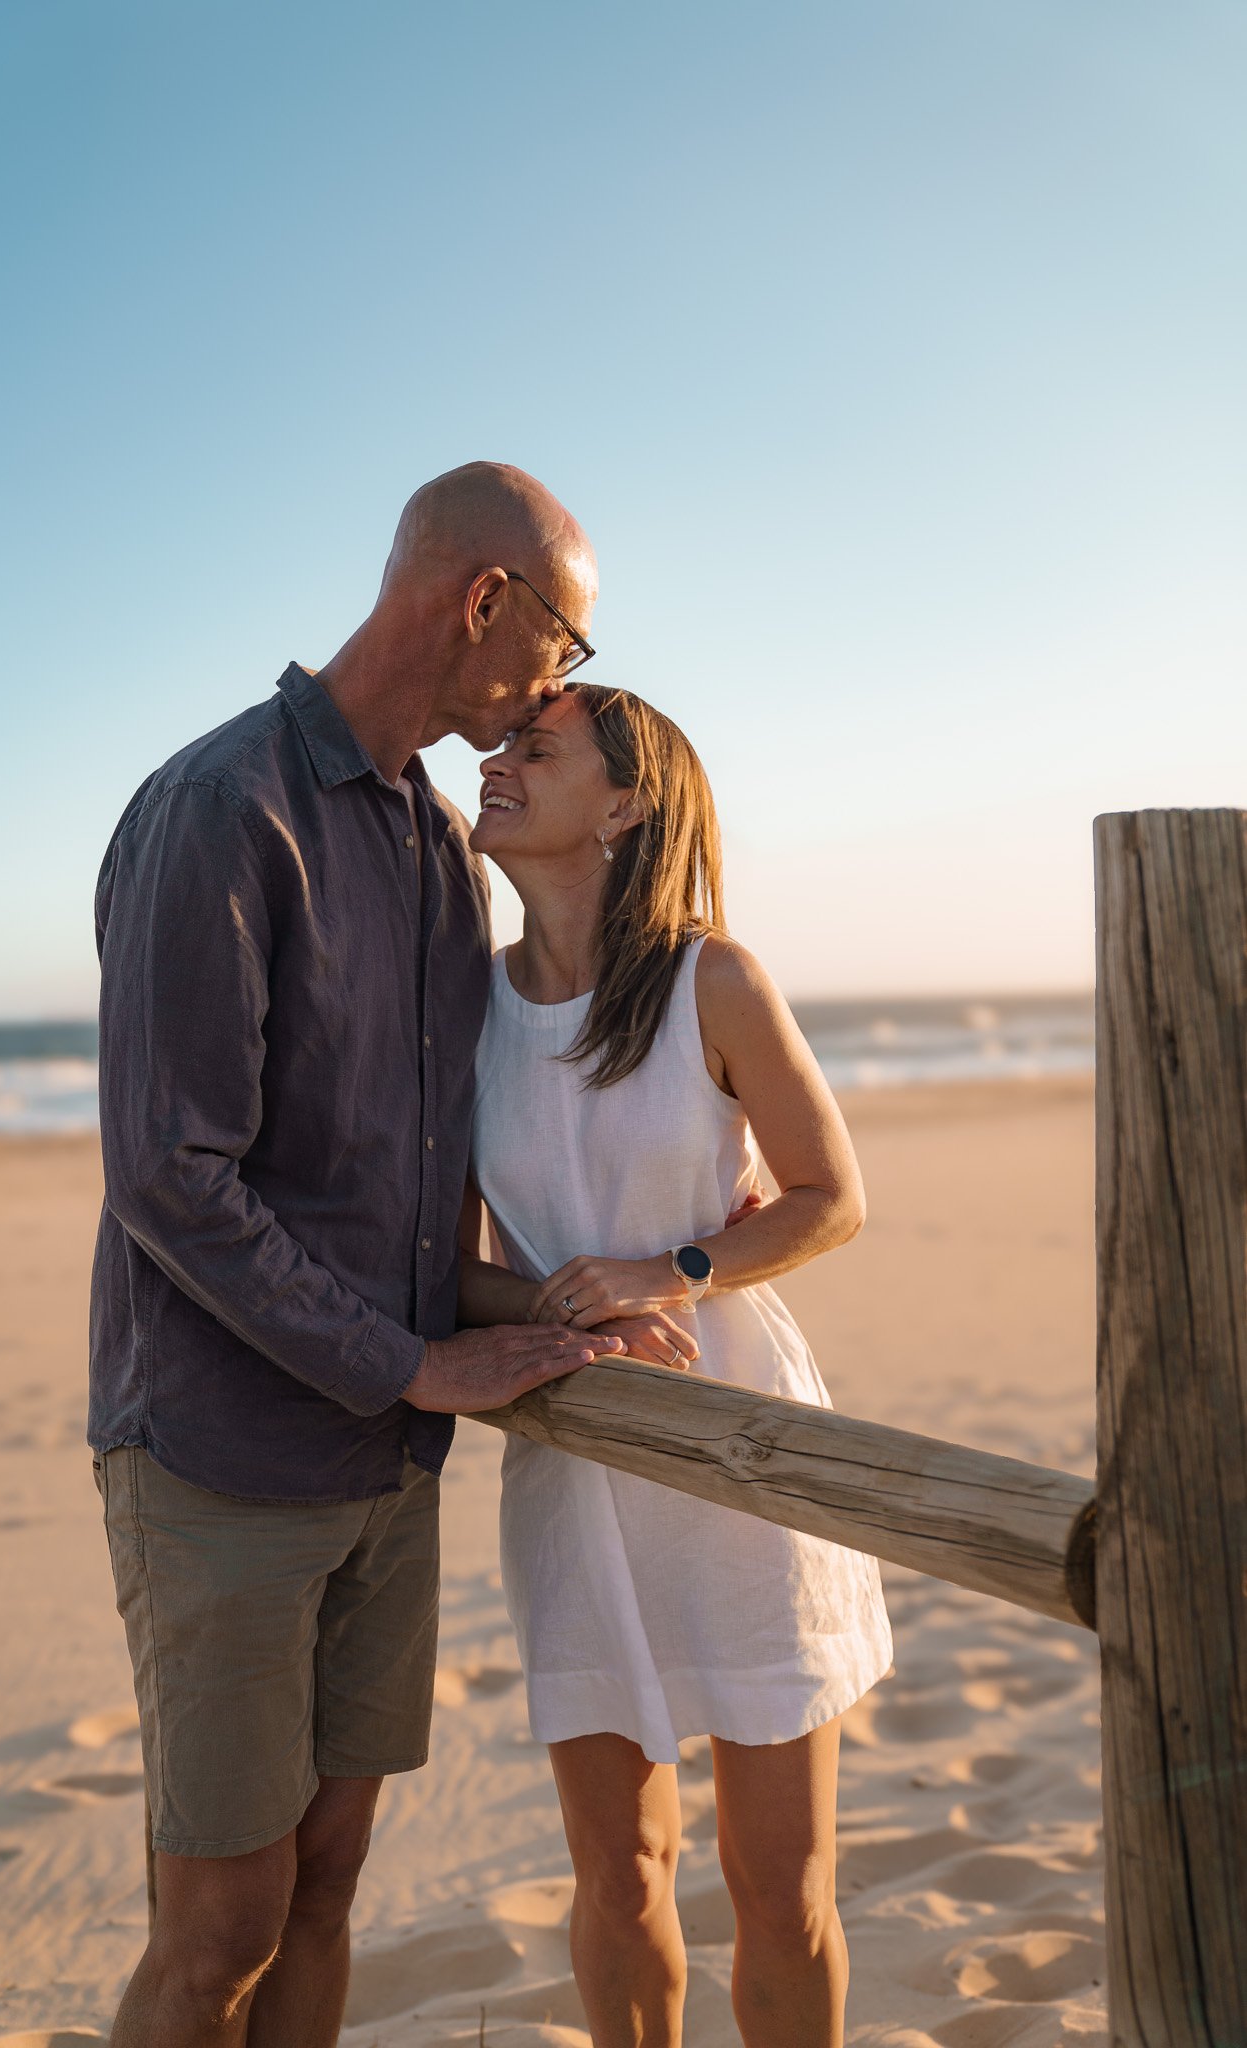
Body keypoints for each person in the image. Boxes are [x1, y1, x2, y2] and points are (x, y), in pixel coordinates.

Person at [88, 464, 666, 2048]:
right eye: (566, 636)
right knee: (217, 1929)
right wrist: (412, 1362)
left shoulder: (429, 833)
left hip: (384, 1470)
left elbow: (408, 1182)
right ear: (487, 602)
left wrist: (569, 1312)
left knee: (329, 1886)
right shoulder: (221, 811)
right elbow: (169, 1174)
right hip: (219, 1455)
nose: (566, 677)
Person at [460, 685, 894, 2048]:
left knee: (778, 1884)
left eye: (537, 748)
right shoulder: (460, 1012)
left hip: (738, 1458)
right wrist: (550, 1307)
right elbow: (436, 1261)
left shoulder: (712, 977)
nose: (496, 761)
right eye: (500, 744)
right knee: (618, 1872)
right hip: (575, 1462)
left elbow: (829, 1195)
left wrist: (675, 1269)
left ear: (627, 802)